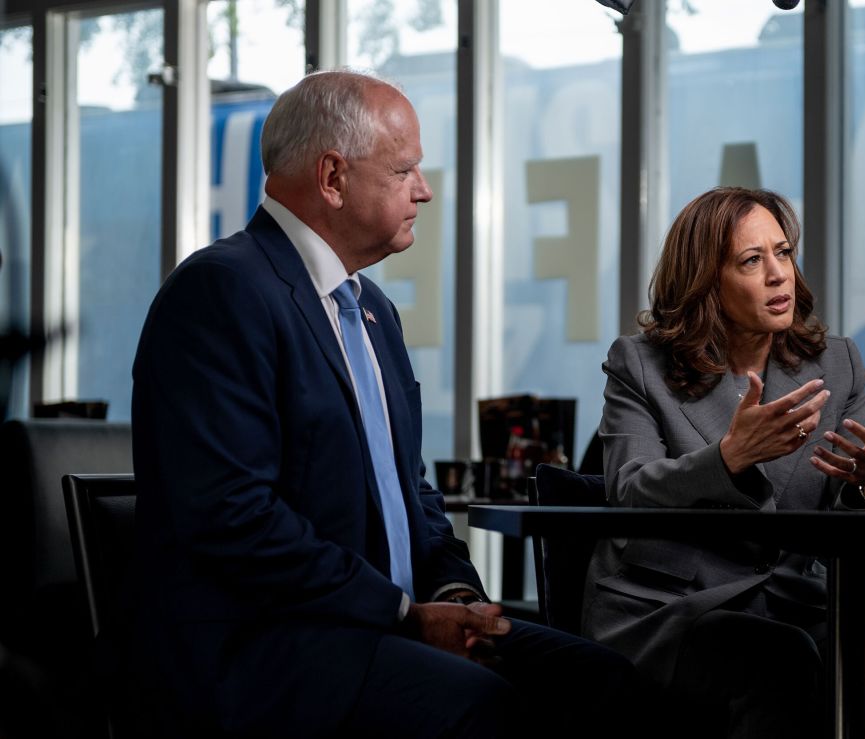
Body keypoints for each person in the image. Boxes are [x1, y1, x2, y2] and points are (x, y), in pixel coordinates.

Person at [130, 70, 637, 739]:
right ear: (334, 177)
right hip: (275, 651)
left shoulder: (371, 310)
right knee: (488, 706)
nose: (423, 190)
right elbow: (235, 516)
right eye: (405, 170)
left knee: (607, 682)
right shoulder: (220, 292)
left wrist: (454, 595)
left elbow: (409, 491)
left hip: (379, 627)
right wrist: (403, 612)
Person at [580, 187, 865, 737]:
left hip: (791, 603)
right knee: (780, 664)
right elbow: (628, 489)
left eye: (783, 253)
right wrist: (729, 457)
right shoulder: (640, 365)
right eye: (751, 260)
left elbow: (843, 510)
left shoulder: (837, 365)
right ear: (706, 281)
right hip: (668, 610)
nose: (779, 274)